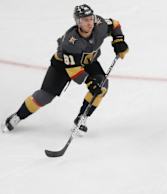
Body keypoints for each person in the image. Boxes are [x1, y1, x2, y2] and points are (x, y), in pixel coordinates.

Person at [2, 4, 128, 135]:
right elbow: (73, 70)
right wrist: (90, 81)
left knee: (102, 86)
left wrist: (118, 41)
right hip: (63, 66)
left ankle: (81, 118)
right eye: (85, 20)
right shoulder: (70, 42)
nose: (90, 23)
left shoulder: (100, 24)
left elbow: (115, 24)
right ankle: (18, 115)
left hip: (88, 61)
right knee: (44, 97)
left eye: (91, 18)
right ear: (78, 22)